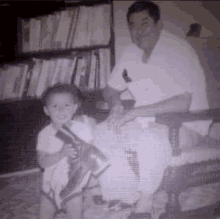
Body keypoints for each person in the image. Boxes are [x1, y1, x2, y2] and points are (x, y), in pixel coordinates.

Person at [97, 1, 212, 219]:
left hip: (186, 124)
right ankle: (125, 195)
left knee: (150, 139)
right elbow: (110, 89)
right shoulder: (130, 54)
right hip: (146, 121)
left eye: (145, 23)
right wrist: (117, 104)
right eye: (133, 26)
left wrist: (134, 113)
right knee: (102, 132)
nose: (138, 30)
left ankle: (145, 203)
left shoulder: (177, 50)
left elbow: (182, 103)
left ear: (159, 25)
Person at [37, 83, 109, 219]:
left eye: (66, 106)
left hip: (73, 188)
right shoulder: (44, 134)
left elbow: (91, 155)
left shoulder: (83, 129)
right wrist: (60, 154)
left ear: (75, 108)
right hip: (50, 188)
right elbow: (42, 162)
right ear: (46, 110)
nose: (61, 110)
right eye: (55, 106)